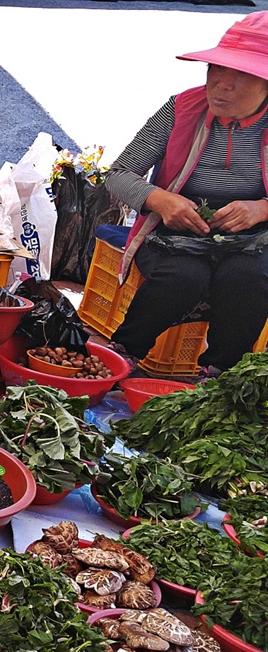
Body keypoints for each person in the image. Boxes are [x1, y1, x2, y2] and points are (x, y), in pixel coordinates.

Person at [106, 11, 268, 379]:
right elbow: (118, 175)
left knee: (250, 280)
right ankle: (122, 354)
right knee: (182, 277)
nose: (221, 86)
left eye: (241, 75)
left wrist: (261, 208)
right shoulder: (180, 109)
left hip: (252, 242)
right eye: (216, 70)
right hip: (171, 236)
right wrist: (161, 200)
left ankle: (222, 376)